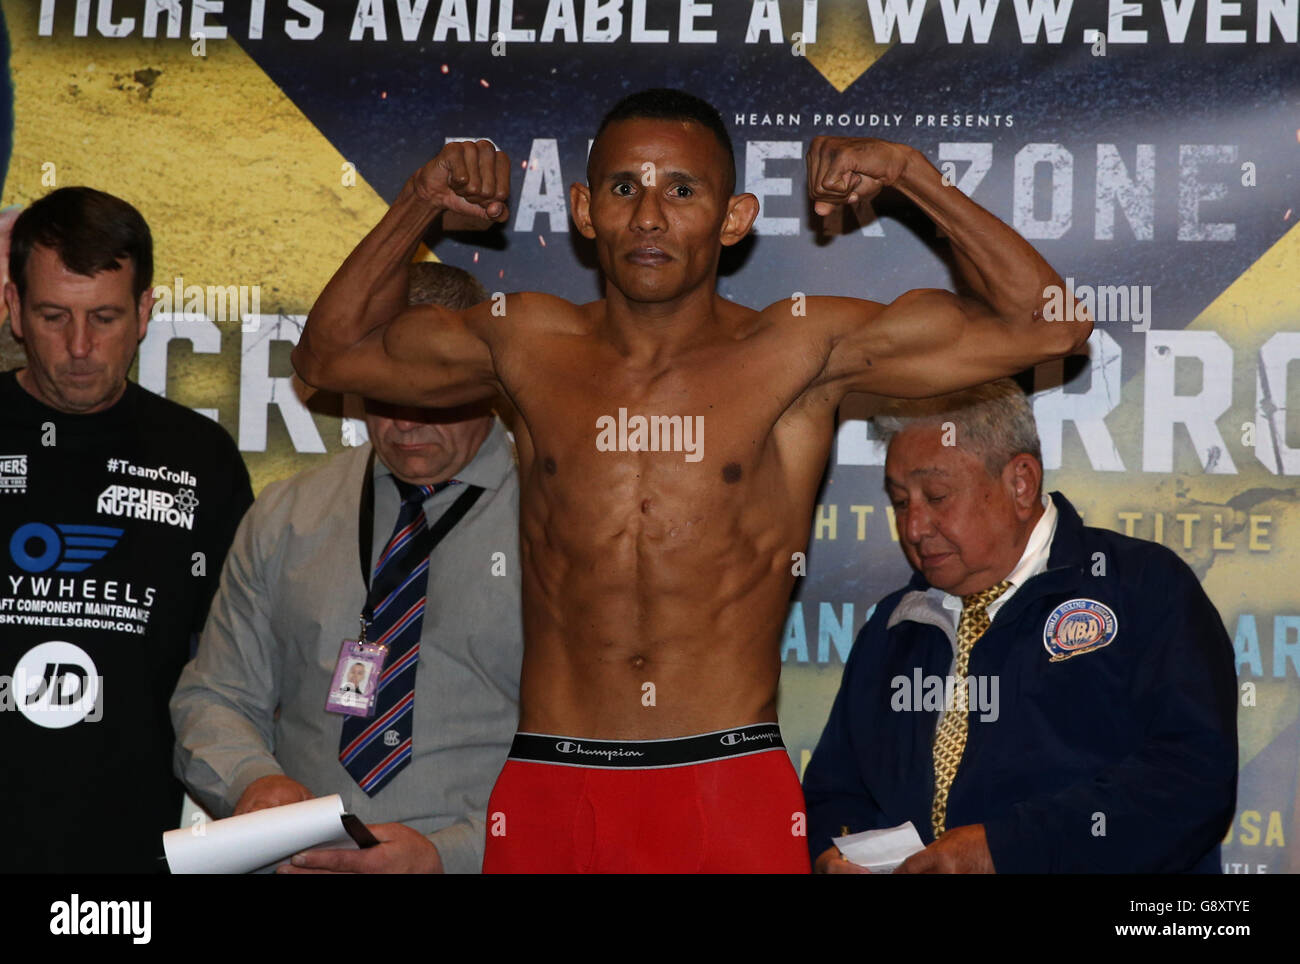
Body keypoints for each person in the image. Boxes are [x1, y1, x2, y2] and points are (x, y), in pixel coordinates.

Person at [292, 88, 1092, 873]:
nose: (648, 216)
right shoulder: (528, 342)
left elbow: (1049, 322)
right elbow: (327, 358)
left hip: (724, 782)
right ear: (582, 208)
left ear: (734, 218)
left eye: (682, 190)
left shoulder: (796, 350)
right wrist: (419, 202)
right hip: (553, 783)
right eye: (622, 188)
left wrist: (914, 176)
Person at [171, 262, 522, 874]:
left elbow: (599, 750)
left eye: (431, 391)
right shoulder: (288, 514)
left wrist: (452, 855)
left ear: (487, 376)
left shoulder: (562, 526)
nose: (405, 422)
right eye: (382, 390)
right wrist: (254, 782)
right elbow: (215, 695)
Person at [804, 379, 1238, 873]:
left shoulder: (1140, 589)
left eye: (938, 495)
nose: (913, 528)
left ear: (1021, 483)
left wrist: (1004, 850)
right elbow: (836, 789)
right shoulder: (894, 626)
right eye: (902, 502)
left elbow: (1192, 781)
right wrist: (833, 852)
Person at [0, 186, 253, 872]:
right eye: (54, 316)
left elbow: (237, 672)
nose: (79, 347)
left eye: (105, 318)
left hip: (130, 846)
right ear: (12, 308)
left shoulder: (199, 458)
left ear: (145, 312)